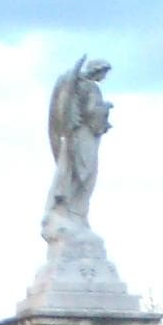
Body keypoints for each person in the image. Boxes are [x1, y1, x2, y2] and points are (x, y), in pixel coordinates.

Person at [44, 56, 113, 233]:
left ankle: (66, 208)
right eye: (103, 73)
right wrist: (105, 108)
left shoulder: (77, 86)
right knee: (86, 173)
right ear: (97, 70)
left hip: (74, 135)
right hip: (85, 135)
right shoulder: (91, 88)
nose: (104, 77)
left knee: (70, 169)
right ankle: (75, 212)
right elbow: (91, 112)